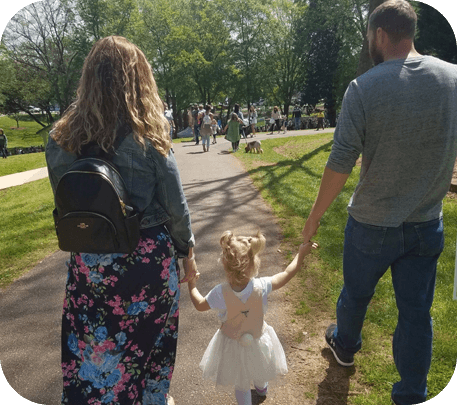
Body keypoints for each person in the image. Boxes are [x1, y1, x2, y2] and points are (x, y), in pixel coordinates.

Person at [301, 2, 457, 404]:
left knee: (355, 295)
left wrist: (314, 218)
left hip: (371, 223)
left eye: (370, 36)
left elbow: (340, 163)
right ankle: (411, 394)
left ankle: (346, 347)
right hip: (426, 223)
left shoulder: (364, 87)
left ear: (381, 34)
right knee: (416, 314)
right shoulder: (453, 79)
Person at [45, 36, 196, 405]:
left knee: (93, 349)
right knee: (152, 347)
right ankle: (152, 397)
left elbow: (66, 203)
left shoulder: (61, 137)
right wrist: (187, 251)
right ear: (139, 77)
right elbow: (174, 205)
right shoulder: (149, 132)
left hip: (90, 265)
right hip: (146, 261)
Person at [186, 230, 318, 405]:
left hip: (232, 343)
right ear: (254, 263)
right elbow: (287, 274)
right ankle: (262, 389)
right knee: (260, 365)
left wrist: (192, 286)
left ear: (225, 265)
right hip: (258, 339)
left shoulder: (219, 293)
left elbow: (200, 305)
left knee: (241, 383)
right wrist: (301, 254)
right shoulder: (262, 286)